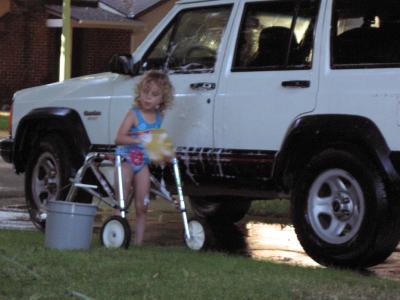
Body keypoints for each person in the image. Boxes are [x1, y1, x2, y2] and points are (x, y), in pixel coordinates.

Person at [115, 70, 174, 246]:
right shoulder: (133, 114)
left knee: (143, 204)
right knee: (122, 200)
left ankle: (139, 243)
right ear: (139, 93)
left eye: (154, 95)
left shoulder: (158, 117)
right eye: (145, 93)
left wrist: (163, 152)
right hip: (126, 160)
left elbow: (154, 141)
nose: (148, 98)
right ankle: (117, 237)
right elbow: (119, 138)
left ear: (161, 99)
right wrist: (136, 139)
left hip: (142, 163)